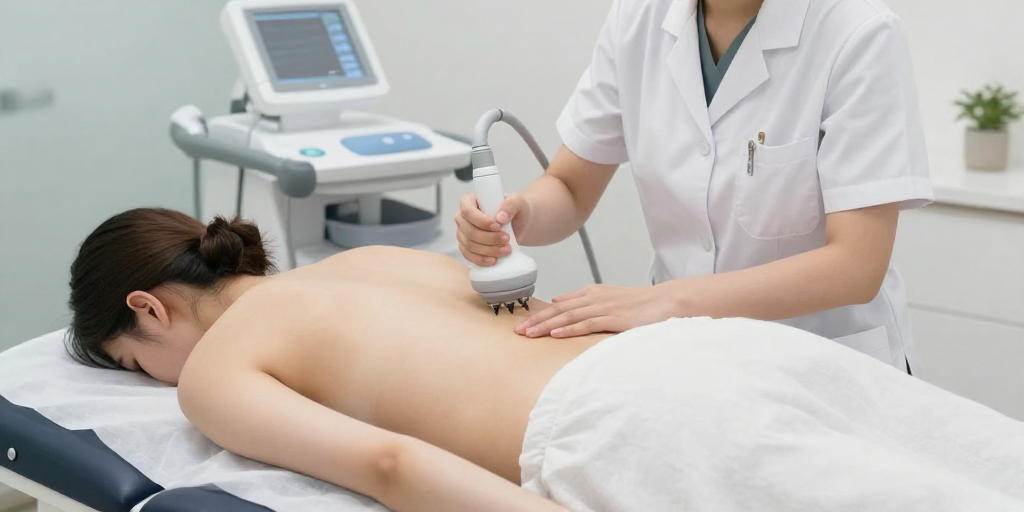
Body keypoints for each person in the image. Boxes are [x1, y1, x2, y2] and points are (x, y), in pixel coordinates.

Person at [455, 0, 932, 371]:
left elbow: (854, 266)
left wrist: (667, 302)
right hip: (686, 363)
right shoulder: (637, 15)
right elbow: (570, 189)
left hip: (825, 365)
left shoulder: (856, 34)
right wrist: (516, 217)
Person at [68, 209, 1024, 512]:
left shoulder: (213, 371)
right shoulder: (372, 261)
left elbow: (388, 464)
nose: (155, 383)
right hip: (709, 349)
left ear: (148, 308)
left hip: (630, 421)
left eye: (130, 359)